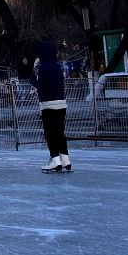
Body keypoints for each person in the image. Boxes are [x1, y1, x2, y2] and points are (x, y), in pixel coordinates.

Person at [33, 41, 71, 172]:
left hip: (48, 104)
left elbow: (42, 85)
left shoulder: (43, 67)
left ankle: (55, 160)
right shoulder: (57, 66)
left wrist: (32, 79)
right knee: (60, 133)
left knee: (50, 133)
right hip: (61, 103)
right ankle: (66, 159)